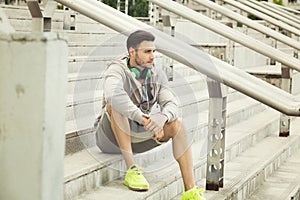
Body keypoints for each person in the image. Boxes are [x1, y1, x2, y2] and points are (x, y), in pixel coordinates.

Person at [95, 30, 205, 200]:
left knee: (177, 123)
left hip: (136, 134)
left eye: (154, 51)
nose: (152, 56)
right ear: (132, 52)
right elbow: (112, 94)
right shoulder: (117, 69)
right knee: (115, 105)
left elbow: (171, 103)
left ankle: (190, 191)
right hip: (109, 138)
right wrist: (142, 118)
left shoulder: (156, 73)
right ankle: (132, 169)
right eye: (147, 52)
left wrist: (161, 119)